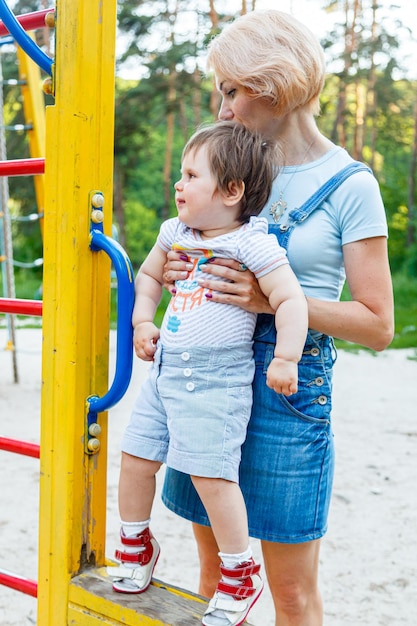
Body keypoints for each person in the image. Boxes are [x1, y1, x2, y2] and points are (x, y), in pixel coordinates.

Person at [161, 9, 395, 626]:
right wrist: (185, 273)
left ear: (273, 85)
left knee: (290, 595)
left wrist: (274, 302)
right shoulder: (224, 168)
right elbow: (180, 250)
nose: (224, 106)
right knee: (217, 582)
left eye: (232, 89)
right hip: (208, 380)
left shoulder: (350, 184)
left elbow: (378, 324)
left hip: (291, 391)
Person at [107, 121, 308, 626]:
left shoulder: (253, 244)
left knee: (211, 477)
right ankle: (136, 544)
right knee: (135, 458)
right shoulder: (175, 233)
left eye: (190, 174)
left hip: (216, 382)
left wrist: (286, 357)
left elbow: (289, 300)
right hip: (166, 372)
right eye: (181, 173)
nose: (178, 183)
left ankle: (239, 572)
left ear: (232, 191)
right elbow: (150, 275)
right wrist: (142, 320)